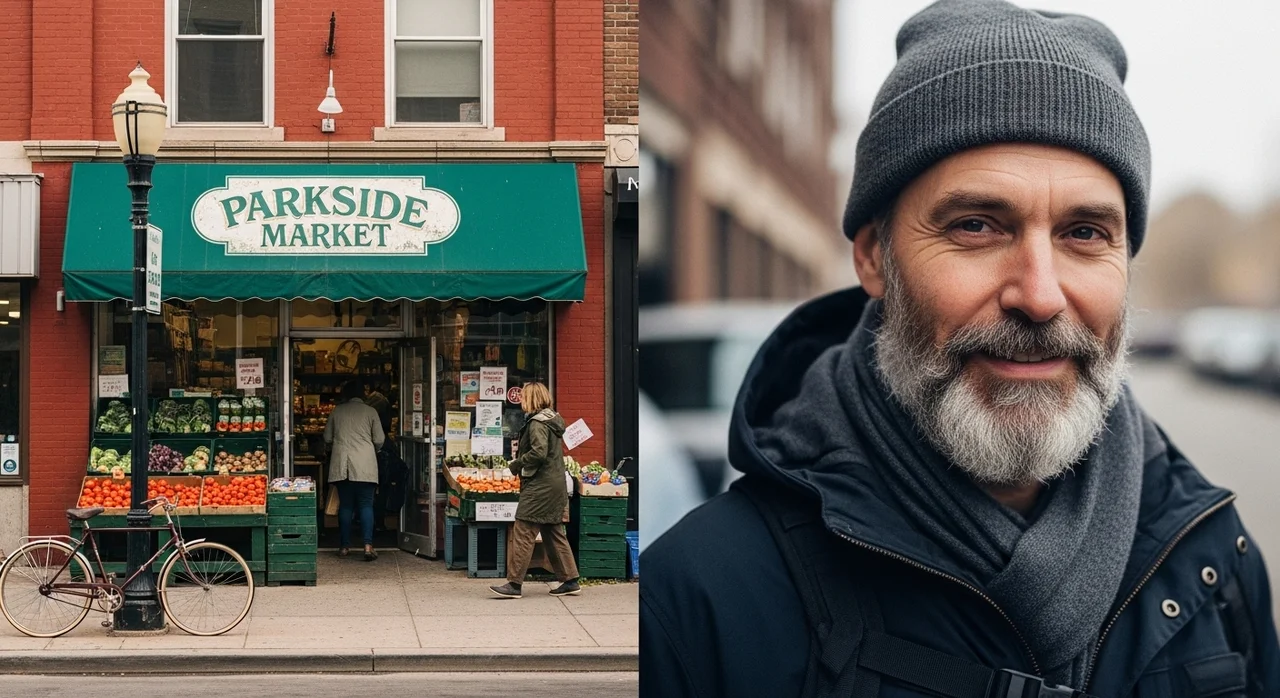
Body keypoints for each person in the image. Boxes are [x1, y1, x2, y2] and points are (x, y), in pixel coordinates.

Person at [639, 1, 1280, 696]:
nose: (1039, 296)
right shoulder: (698, 603)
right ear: (874, 259)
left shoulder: (1214, 559)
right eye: (977, 225)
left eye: (1085, 234)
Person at [489, 382, 581, 598]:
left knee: (523, 529)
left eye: (523, 397)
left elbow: (539, 453)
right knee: (553, 531)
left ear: (531, 399)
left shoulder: (537, 424)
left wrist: (517, 464)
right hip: (554, 484)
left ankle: (514, 584)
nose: (520, 401)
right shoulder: (551, 420)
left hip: (540, 486)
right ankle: (570, 580)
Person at [324, 379, 385, 561]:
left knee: (346, 506)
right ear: (363, 393)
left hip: (343, 465)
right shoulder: (371, 411)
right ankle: (368, 546)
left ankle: (344, 547)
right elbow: (380, 439)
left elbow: (327, 437)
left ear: (345, 394)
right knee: (366, 505)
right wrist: (373, 448)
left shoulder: (337, 411)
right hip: (365, 465)